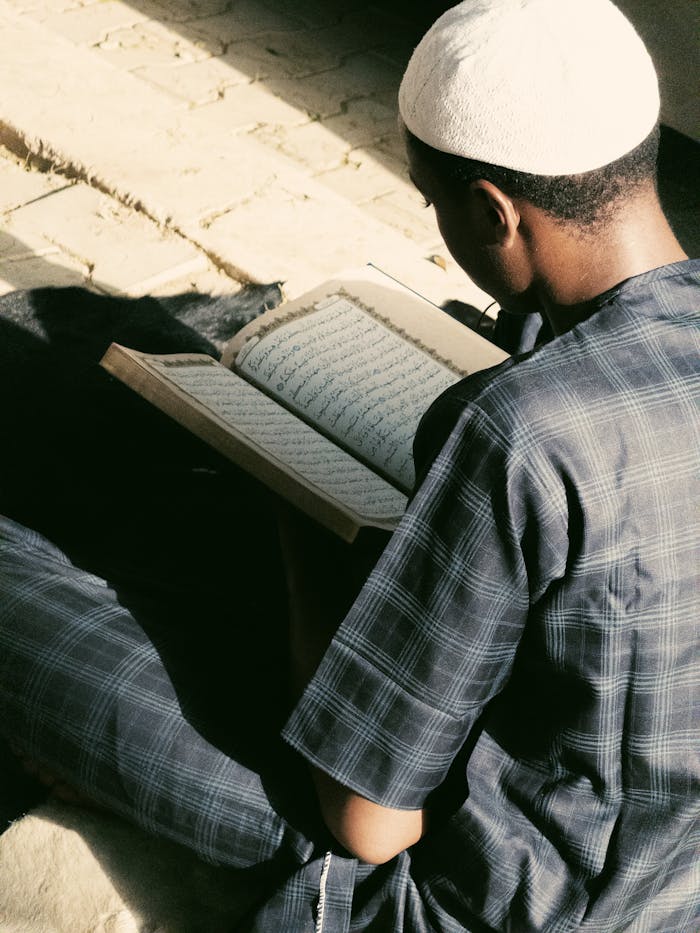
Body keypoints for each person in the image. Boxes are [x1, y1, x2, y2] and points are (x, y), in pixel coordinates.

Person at [0, 0, 697, 930]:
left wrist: (300, 521)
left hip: (450, 900)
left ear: (493, 212)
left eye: (433, 200)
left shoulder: (523, 430)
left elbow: (369, 824)